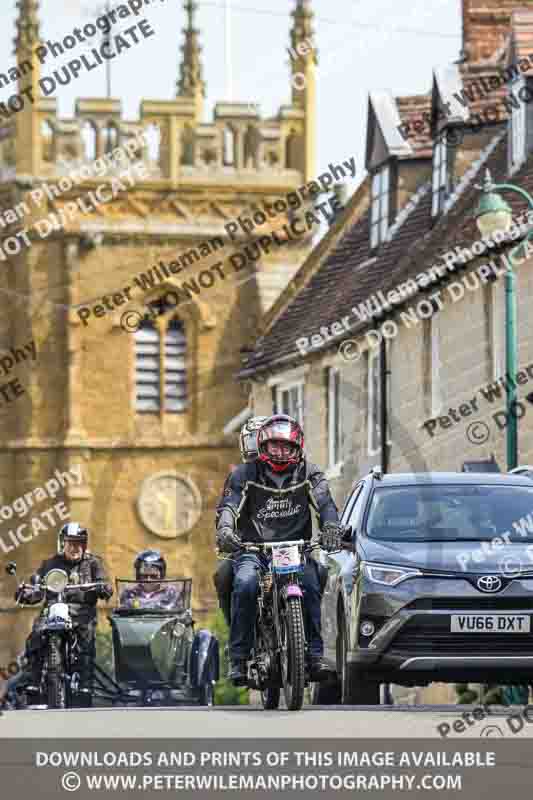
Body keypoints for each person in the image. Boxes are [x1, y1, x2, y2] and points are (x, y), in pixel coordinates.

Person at [215, 414, 344, 685]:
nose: (281, 452)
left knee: (312, 580)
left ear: (298, 448)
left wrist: (331, 527)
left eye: (287, 447)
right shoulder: (243, 474)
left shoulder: (311, 472)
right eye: (275, 446)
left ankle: (315, 656)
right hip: (253, 549)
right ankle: (238, 658)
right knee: (246, 583)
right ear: (262, 446)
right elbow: (229, 506)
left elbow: (325, 504)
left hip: (296, 549)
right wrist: (226, 530)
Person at [15, 522, 113, 696]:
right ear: (62, 544)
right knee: (37, 633)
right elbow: (37, 586)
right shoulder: (50, 563)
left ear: (85, 545)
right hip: (54, 609)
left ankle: (85, 682)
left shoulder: (93, 563)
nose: (75, 547)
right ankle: (33, 679)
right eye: (70, 543)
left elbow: (104, 583)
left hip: (82, 611)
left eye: (79, 543)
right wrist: (26, 593)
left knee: (87, 640)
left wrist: (103, 588)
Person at [213, 416, 268, 627]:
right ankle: (237, 634)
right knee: (224, 575)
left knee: (317, 572)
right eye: (252, 441)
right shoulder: (238, 476)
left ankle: (310, 643)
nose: (257, 449)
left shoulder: (293, 474)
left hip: (287, 550)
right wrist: (225, 532)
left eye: (262, 441)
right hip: (248, 548)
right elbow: (226, 507)